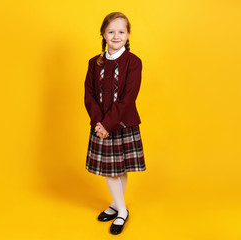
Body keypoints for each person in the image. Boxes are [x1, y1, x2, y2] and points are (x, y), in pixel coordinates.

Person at [84, 12, 146, 235]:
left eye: (121, 31)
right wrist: (98, 123)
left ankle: (120, 210)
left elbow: (128, 97)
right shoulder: (94, 62)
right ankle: (118, 206)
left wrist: (108, 124)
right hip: (101, 126)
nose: (116, 36)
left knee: (120, 169)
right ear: (103, 34)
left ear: (128, 34)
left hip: (122, 124)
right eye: (111, 31)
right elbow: (89, 94)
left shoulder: (133, 62)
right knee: (112, 170)